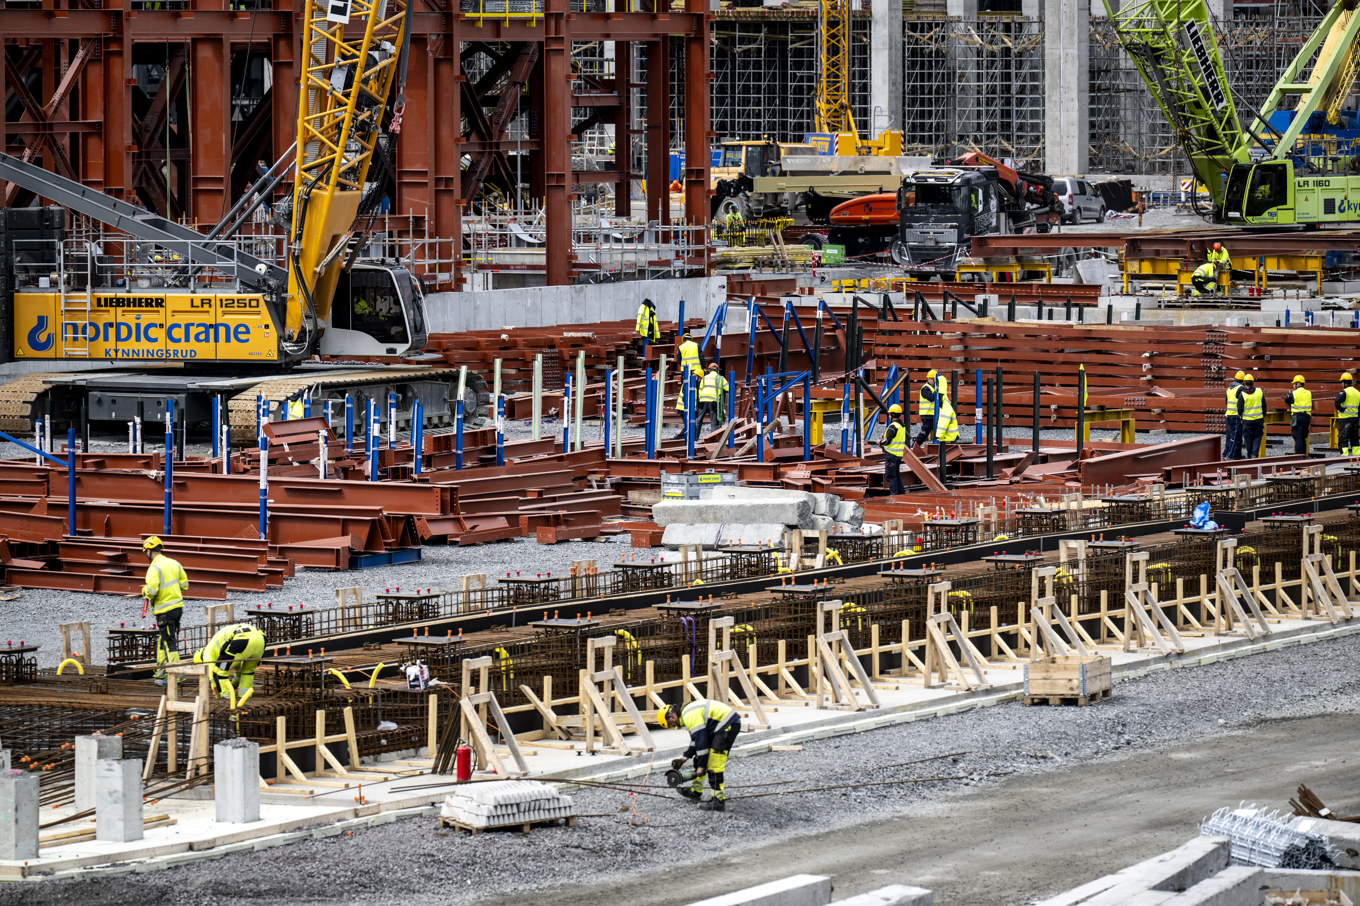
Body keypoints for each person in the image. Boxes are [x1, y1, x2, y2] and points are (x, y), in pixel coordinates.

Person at [656, 699, 741, 812]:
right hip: (719, 726)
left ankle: (718, 801)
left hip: (727, 725)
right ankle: (696, 792)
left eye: (671, 724)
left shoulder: (688, 715)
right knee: (698, 756)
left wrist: (702, 766)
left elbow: (702, 742)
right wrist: (684, 758)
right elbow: (696, 740)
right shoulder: (687, 713)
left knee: (714, 765)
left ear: (671, 717)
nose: (675, 726)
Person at [141, 536, 188, 685]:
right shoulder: (175, 563)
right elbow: (185, 585)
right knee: (163, 640)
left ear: (149, 551)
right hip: (177, 609)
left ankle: (177, 675)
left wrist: (144, 591)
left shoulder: (154, 568)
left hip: (165, 611)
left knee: (169, 642)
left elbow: (152, 591)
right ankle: (160, 674)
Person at [194, 623, 266, 706]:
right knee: (247, 671)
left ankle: (226, 699)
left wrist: (217, 693)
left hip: (242, 639)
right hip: (261, 638)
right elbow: (239, 672)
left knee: (220, 670)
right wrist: (233, 685)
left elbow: (212, 673)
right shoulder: (220, 648)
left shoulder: (207, 653)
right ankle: (245, 697)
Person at [880, 404, 908, 496]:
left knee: (891, 476)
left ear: (891, 415)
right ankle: (901, 493)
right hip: (898, 455)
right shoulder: (901, 426)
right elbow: (895, 438)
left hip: (891, 456)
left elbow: (887, 441)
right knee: (896, 475)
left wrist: (879, 441)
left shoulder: (893, 426)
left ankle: (894, 495)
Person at [1236, 373, 1265, 459]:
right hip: (1258, 419)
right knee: (1258, 437)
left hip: (1247, 420)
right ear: (1253, 382)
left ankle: (1250, 454)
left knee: (1248, 438)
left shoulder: (1242, 394)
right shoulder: (1259, 391)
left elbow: (1240, 408)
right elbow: (1264, 406)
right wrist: (1263, 416)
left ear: (1244, 383)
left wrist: (1241, 416)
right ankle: (1254, 453)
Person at [696, 363, 729, 436]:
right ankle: (713, 438)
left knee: (698, 420)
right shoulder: (720, 378)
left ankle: (695, 437)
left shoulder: (704, 378)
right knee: (714, 422)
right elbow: (728, 388)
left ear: (709, 370)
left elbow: (700, 391)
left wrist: (700, 401)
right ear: (717, 371)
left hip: (703, 401)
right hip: (714, 401)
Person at [1285, 375, 1312, 456]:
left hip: (1297, 417)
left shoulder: (1293, 393)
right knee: (1304, 437)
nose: (1293, 386)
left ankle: (1298, 456)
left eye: (1294, 384)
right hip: (1307, 417)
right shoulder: (1308, 393)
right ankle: (1303, 455)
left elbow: (1286, 400)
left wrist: (1289, 393)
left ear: (1298, 383)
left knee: (1298, 437)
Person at [1336, 372, 1360, 455]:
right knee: (1355, 438)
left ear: (1344, 382)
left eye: (1342, 382)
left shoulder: (1344, 392)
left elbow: (1337, 402)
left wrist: (1341, 409)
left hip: (1345, 419)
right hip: (1355, 419)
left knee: (1343, 438)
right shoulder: (1357, 392)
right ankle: (1356, 456)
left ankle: (1344, 455)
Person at [914, 369, 939, 448]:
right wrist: (937, 390)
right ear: (930, 379)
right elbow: (931, 398)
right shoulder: (925, 388)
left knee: (934, 432)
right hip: (927, 415)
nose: (935, 382)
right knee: (924, 433)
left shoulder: (932, 388)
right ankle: (914, 447)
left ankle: (915, 446)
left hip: (932, 414)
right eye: (935, 380)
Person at [1223, 370, 1245, 459]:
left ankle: (1234, 454)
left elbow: (1226, 401)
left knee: (1231, 436)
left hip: (1228, 415)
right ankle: (1230, 455)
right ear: (1243, 380)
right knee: (1235, 437)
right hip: (1235, 416)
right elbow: (1243, 401)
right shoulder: (1241, 388)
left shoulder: (1229, 388)